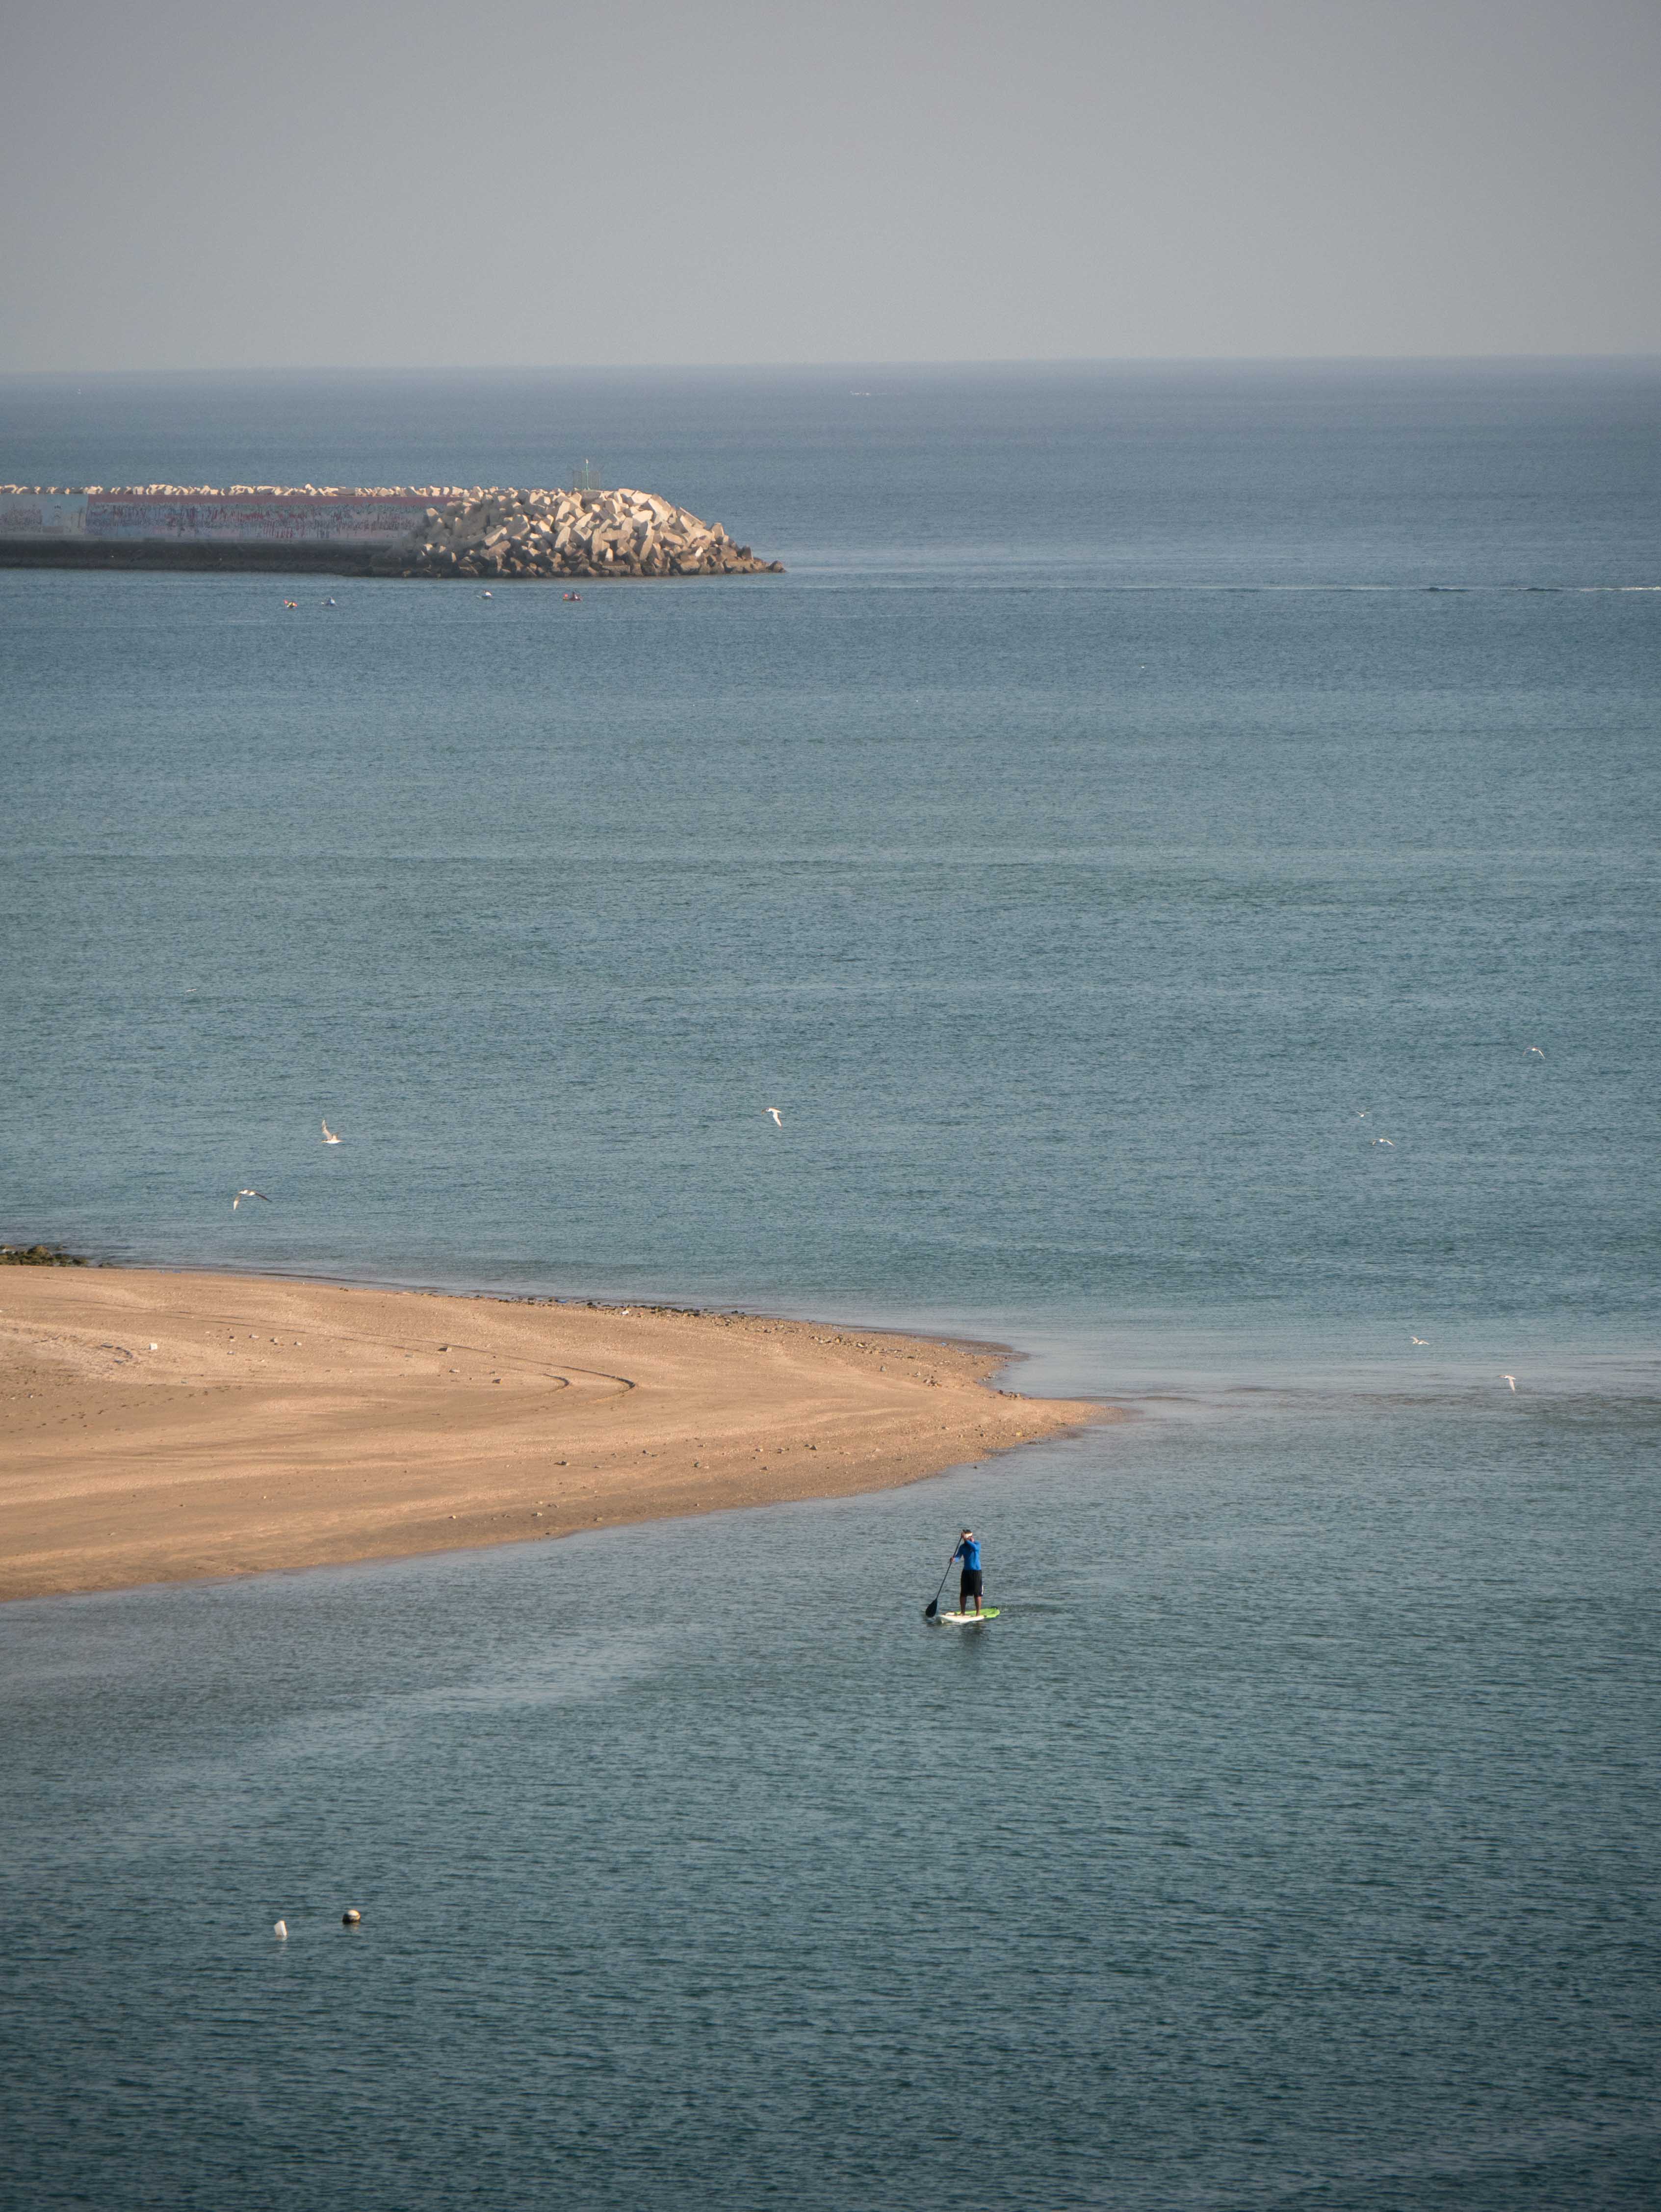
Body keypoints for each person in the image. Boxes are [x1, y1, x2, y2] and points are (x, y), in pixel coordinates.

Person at [952, 1528, 984, 1615]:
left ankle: (978, 1613)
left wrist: (966, 1540)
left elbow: (975, 1549)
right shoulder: (962, 1547)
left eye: (971, 1537)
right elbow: (959, 1557)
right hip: (966, 1572)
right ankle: (963, 1612)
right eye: (969, 1537)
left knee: (977, 1593)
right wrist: (954, 1559)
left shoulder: (977, 1544)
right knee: (963, 1593)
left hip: (976, 1572)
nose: (972, 1538)